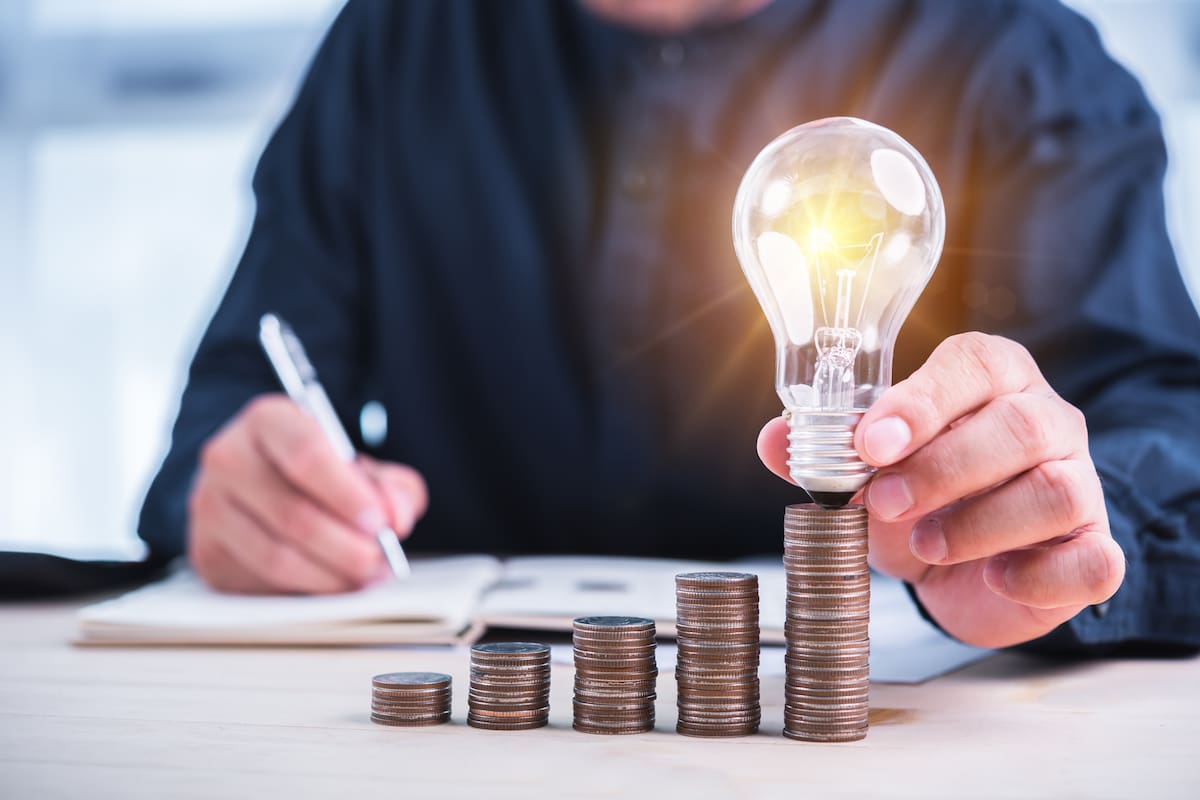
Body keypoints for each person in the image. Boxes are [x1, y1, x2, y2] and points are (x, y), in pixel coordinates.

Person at [139, 0, 1200, 654]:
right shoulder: (393, 41)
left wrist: (1056, 529)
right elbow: (242, 391)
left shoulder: (1022, 59)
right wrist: (234, 488)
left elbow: (1171, 436)